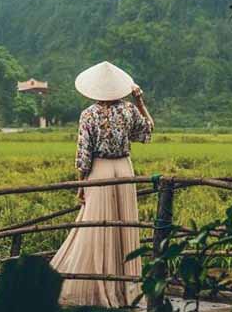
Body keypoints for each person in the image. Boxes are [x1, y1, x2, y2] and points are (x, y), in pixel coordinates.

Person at [49, 61, 154, 308]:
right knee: (123, 225)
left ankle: (99, 284)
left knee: (96, 225)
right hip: (124, 169)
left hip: (100, 170)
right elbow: (147, 132)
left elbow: (83, 155)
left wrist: (81, 185)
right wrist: (140, 101)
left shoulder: (88, 114)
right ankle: (126, 289)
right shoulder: (129, 110)